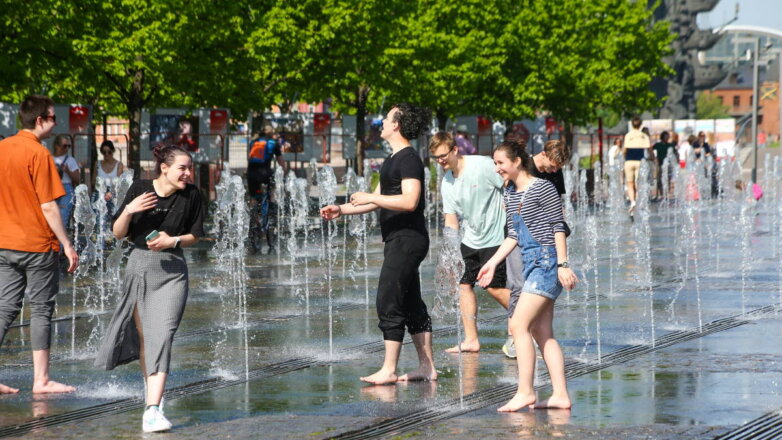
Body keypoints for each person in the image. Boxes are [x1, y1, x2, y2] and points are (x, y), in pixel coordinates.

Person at [320, 103, 436, 384]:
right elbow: (376, 197)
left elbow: (410, 201)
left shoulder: (408, 158)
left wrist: (372, 198)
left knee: (388, 299)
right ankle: (427, 367)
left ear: (396, 124)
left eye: (386, 118)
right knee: (410, 302)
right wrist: (341, 209)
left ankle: (389, 369)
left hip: (408, 239)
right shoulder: (394, 159)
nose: (381, 122)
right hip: (398, 239)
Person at [94, 144, 205, 433]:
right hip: (140, 267)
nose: (188, 173)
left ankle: (153, 409)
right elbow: (118, 233)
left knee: (163, 333)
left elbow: (196, 234)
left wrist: (173, 241)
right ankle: (152, 398)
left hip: (172, 271)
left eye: (189, 168)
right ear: (164, 168)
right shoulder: (140, 189)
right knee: (147, 339)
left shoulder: (192, 195)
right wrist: (129, 210)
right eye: (183, 167)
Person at [477, 138, 578, 412]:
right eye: (494, 163)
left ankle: (525, 391)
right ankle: (560, 395)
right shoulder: (509, 192)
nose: (497, 168)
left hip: (547, 262)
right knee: (542, 332)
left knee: (518, 326)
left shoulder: (543, 187)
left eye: (500, 163)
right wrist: (493, 263)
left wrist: (563, 264)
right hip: (529, 261)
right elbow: (513, 235)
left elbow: (558, 226)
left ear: (517, 161)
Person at [0, 95, 79, 394]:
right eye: (53, 117)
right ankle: (41, 380)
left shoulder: (2, 148)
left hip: (4, 242)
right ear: (39, 121)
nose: (56, 123)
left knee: (5, 308)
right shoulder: (40, 154)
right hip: (37, 244)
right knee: (42, 309)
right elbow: (49, 206)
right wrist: (67, 244)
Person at [428, 132, 513, 357]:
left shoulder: (482, 166)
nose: (440, 161)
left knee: (494, 287)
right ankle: (471, 340)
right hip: (471, 239)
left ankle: (527, 321)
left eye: (443, 155)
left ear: (455, 150)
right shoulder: (447, 183)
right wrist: (449, 254)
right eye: (436, 157)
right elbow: (451, 220)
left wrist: (509, 205)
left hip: (496, 236)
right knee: (463, 284)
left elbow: (507, 180)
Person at [247, 125, 285, 199]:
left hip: (251, 172)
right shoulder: (273, 143)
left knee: (253, 197)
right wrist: (284, 172)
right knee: (271, 192)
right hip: (265, 173)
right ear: (271, 133)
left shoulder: (253, 142)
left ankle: (252, 208)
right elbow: (281, 161)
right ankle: (271, 204)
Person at [623, 117, 652, 212]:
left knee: (629, 183)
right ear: (640, 125)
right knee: (638, 182)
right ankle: (639, 202)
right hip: (640, 161)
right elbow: (649, 149)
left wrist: (624, 158)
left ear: (632, 124)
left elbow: (625, 150)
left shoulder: (628, 135)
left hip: (629, 161)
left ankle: (633, 202)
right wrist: (653, 159)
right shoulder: (644, 136)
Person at [52, 134, 80, 229]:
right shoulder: (49, 158)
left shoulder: (70, 160)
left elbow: (77, 179)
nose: (67, 148)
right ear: (57, 146)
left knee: (63, 220)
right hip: (52, 189)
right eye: (65, 146)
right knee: (51, 219)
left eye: (69, 146)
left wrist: (68, 171)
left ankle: (61, 244)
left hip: (66, 189)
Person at [652, 131, 675, 198]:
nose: (667, 138)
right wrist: (655, 159)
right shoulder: (657, 145)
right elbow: (652, 151)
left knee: (668, 179)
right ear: (662, 137)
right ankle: (661, 194)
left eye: (668, 136)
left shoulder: (670, 145)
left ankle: (666, 193)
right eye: (666, 136)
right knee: (659, 180)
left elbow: (674, 153)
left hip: (668, 165)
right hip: (660, 164)